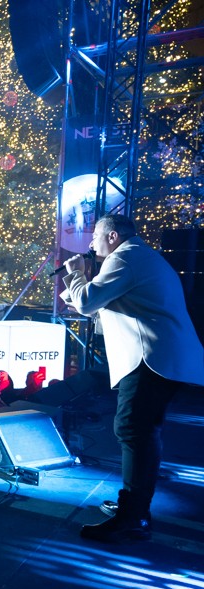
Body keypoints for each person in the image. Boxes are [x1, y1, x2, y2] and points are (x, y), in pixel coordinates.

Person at [61, 213, 204, 542]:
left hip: (152, 358)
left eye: (95, 236)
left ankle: (134, 516)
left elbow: (87, 302)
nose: (91, 244)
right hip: (160, 357)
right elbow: (101, 303)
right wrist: (79, 288)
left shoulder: (125, 257)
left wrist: (77, 277)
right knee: (139, 429)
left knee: (133, 428)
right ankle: (136, 508)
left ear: (112, 237)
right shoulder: (138, 257)